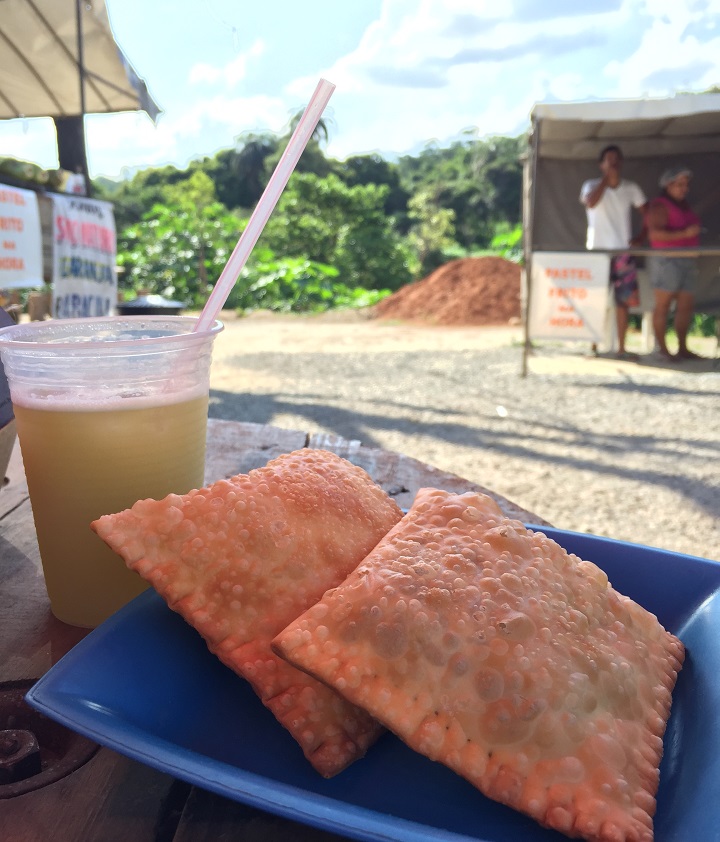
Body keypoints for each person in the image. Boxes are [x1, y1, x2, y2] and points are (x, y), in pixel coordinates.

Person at [580, 145, 648, 358]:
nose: (613, 163)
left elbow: (648, 214)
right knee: (595, 299)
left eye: (616, 159)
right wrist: (605, 180)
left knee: (624, 301)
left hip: (623, 252)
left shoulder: (631, 188)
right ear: (601, 165)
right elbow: (590, 203)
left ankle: (621, 348)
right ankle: (593, 346)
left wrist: (641, 237)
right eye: (608, 160)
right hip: (597, 251)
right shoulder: (590, 185)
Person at [646, 166, 702, 361]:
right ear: (668, 185)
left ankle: (682, 348)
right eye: (680, 184)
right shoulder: (659, 206)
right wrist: (684, 234)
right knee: (663, 305)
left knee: (686, 305)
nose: (684, 188)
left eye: (686, 184)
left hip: (688, 259)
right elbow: (654, 234)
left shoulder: (684, 206)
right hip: (666, 260)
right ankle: (662, 350)